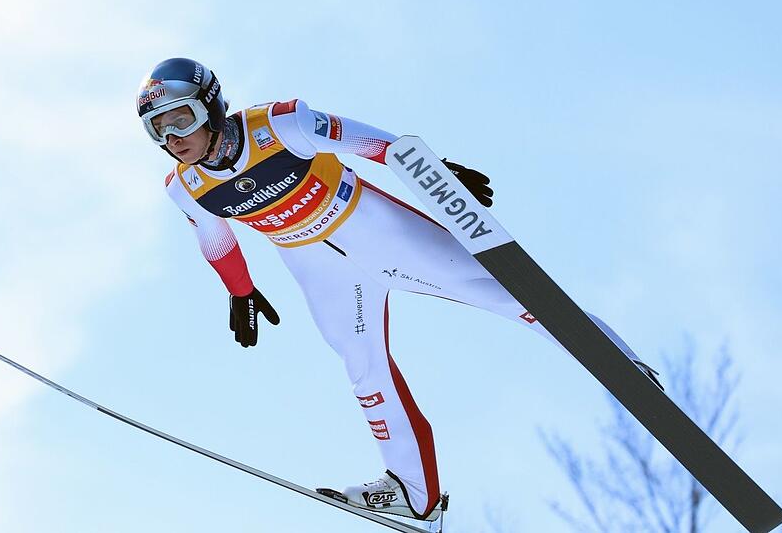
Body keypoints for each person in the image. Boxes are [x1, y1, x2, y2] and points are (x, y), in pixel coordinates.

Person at [137, 57, 663, 522]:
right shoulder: (184, 186)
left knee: (510, 296)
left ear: (211, 104)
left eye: (180, 119)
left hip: (376, 230)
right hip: (318, 268)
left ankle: (621, 367)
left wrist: (436, 174)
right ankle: (415, 492)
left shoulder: (280, 123)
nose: (173, 138)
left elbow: (373, 143)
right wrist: (241, 292)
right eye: (158, 130)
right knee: (363, 368)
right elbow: (216, 240)